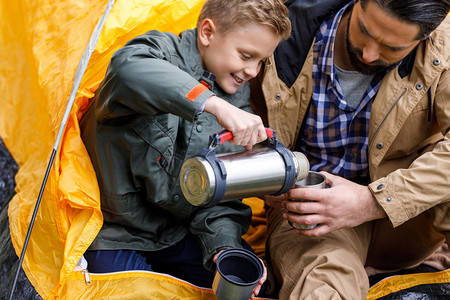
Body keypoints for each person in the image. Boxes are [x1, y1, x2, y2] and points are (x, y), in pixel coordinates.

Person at [79, 0, 291, 297]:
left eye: (261, 61)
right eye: (246, 55)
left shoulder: (237, 96)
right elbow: (129, 70)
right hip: (114, 232)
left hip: (178, 233)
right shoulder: (159, 51)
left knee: (250, 284)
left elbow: (223, 192)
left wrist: (223, 248)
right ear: (207, 32)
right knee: (129, 291)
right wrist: (211, 104)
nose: (253, 71)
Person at [250, 0, 450, 298]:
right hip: (312, 215)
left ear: (426, 37)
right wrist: (263, 175)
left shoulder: (442, 48)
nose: (369, 54)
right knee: (324, 281)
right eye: (363, 30)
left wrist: (371, 201)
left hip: (410, 217)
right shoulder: (280, 26)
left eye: (391, 48)